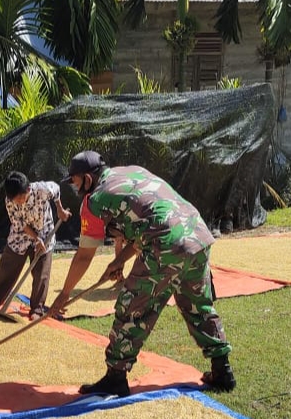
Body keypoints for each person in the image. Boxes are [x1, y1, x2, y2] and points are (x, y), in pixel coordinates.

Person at [49, 150, 235, 397]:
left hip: (165, 244)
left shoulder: (94, 200)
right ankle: (222, 370)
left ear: (87, 178)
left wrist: (65, 294)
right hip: (196, 235)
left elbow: (84, 254)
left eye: (74, 180)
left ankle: (115, 376)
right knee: (197, 305)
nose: (73, 186)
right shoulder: (133, 171)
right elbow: (151, 220)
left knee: (131, 308)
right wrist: (118, 261)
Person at [0, 171, 72, 320]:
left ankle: (37, 309)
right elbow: (20, 224)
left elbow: (56, 189)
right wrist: (35, 239)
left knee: (41, 272)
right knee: (6, 268)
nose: (19, 201)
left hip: (44, 230)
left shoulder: (42, 190)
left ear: (28, 189)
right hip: (20, 236)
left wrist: (60, 210)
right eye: (16, 199)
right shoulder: (9, 201)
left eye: (21, 197)